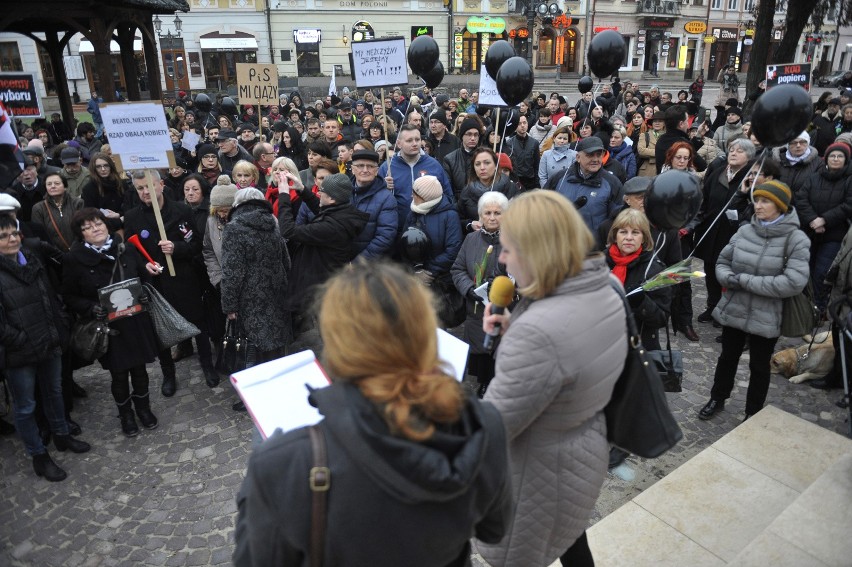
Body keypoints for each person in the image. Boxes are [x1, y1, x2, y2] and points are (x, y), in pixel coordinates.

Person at [233, 261, 512, 566]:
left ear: (336, 343)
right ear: (425, 331)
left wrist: (259, 480)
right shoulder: (481, 424)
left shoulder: (283, 462)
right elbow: (493, 529)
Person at [477, 190, 624, 566]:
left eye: (509, 249)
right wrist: (516, 329)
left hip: (535, 477)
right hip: (583, 451)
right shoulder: (609, 287)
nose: (504, 259)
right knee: (573, 545)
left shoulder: (539, 333)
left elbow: (490, 428)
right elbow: (565, 361)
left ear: (538, 251)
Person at [698, 181, 810, 421]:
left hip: (767, 314)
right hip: (735, 308)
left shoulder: (796, 239)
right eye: (756, 200)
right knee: (727, 357)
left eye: (765, 201)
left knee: (759, 366)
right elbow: (721, 262)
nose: (758, 206)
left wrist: (745, 281)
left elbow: (794, 282)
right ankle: (717, 397)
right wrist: (727, 277)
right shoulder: (745, 230)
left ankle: (752, 413)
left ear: (780, 206)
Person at [0, 213, 91, 481]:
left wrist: (59, 325)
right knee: (26, 406)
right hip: (20, 353)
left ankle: (62, 435)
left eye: (14, 233)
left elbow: (49, 296)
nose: (12, 239)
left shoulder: (32, 258)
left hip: (49, 341)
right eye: (3, 236)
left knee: (54, 393)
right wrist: (21, 340)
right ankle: (39, 455)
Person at [62, 209, 161, 436]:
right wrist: (90, 308)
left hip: (135, 321)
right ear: (80, 234)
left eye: (98, 223)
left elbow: (143, 278)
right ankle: (126, 414)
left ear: (107, 225)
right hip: (109, 327)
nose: (95, 229)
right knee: (118, 374)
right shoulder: (73, 259)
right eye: (87, 227)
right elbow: (69, 295)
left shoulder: (126, 249)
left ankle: (144, 409)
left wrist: (144, 292)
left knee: (139, 370)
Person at [123, 170, 215, 394]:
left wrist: (177, 248)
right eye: (141, 188)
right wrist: (143, 266)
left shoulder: (181, 210)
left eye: (150, 186)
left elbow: (194, 245)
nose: (146, 192)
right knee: (160, 330)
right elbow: (130, 251)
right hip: (156, 284)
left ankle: (207, 365)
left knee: (198, 323)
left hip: (184, 278)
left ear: (161, 185)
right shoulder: (133, 216)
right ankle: (168, 374)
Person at [276, 171, 368, 332]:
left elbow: (288, 231)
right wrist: (301, 189)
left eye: (322, 192)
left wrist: (284, 195)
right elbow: (323, 211)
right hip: (323, 287)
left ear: (332, 198)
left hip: (318, 294)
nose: (318, 193)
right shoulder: (342, 213)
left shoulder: (332, 227)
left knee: (315, 340)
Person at [220, 188, 291, 370]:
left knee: (252, 353)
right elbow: (286, 261)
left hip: (249, 300)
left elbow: (232, 272)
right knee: (276, 351)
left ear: (237, 204)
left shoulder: (234, 228)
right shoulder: (273, 223)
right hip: (277, 295)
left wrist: (229, 306)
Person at [451, 191, 509, 397]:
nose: (492, 217)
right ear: (480, 215)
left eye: (497, 213)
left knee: (501, 355)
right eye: (487, 213)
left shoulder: (513, 241)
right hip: (476, 311)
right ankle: (484, 385)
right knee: (481, 359)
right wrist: (469, 288)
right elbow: (457, 269)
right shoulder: (471, 239)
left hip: (504, 310)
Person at [694, 138, 756, 324]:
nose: (734, 153)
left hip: (733, 233)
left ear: (749, 156)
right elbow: (704, 200)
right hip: (711, 229)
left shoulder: (751, 178)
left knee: (727, 273)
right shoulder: (718, 172)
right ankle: (712, 306)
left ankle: (726, 311)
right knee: (710, 269)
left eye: (740, 151)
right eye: (731, 149)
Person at [794, 141, 852, 314]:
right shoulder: (814, 177)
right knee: (807, 270)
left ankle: (820, 308)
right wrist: (813, 220)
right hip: (810, 231)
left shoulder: (849, 180)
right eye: (832, 156)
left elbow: (848, 205)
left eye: (840, 156)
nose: (835, 159)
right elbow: (801, 198)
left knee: (822, 272)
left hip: (835, 234)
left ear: (846, 160)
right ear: (826, 159)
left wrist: (824, 220)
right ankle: (806, 307)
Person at [605, 208, 671, 350]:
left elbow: (662, 319)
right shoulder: (600, 263)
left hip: (638, 347)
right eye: (623, 232)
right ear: (615, 235)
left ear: (644, 238)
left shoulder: (654, 269)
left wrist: (642, 302)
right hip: (604, 343)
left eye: (635, 232)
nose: (629, 237)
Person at [547, 136, 623, 242]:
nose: (596, 159)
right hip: (561, 245)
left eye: (599, 155)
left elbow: (617, 220)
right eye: (590, 155)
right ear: (578, 157)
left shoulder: (612, 183)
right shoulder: (559, 178)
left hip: (594, 248)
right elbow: (544, 210)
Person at [379, 124, 454, 231]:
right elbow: (377, 199)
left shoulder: (434, 165)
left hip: (431, 226)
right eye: (409, 140)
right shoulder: (387, 167)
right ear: (399, 143)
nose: (414, 144)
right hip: (398, 228)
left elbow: (448, 196)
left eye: (417, 139)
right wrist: (383, 187)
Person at [349, 149, 398, 260]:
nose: (365, 170)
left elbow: (385, 236)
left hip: (371, 265)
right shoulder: (343, 193)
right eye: (360, 166)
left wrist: (359, 262)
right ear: (352, 169)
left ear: (376, 171)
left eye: (370, 166)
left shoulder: (386, 198)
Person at [459, 148, 519, 233]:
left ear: (495, 165)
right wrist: (470, 224)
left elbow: (522, 217)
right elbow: (459, 219)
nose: (482, 168)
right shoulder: (467, 191)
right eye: (477, 164)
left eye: (487, 163)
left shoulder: (511, 187)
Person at [31, 172, 84, 253]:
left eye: (57, 183)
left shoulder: (77, 203)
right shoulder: (38, 208)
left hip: (79, 251)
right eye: (49, 184)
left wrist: (76, 248)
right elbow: (40, 235)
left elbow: (83, 228)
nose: (52, 186)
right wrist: (55, 252)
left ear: (65, 186)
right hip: (54, 255)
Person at [80, 153, 128, 232]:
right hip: (104, 228)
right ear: (94, 169)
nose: (103, 169)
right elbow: (91, 215)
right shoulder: (88, 189)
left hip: (125, 224)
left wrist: (119, 215)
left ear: (111, 166)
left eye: (106, 165)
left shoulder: (122, 184)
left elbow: (131, 205)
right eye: (98, 167)